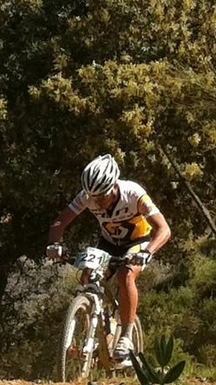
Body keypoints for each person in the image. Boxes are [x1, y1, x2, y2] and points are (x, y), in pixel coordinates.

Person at [45, 154, 171, 363]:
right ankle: (100, 329)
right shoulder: (88, 196)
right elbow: (60, 222)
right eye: (93, 197)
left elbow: (164, 229)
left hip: (137, 242)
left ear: (113, 186)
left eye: (101, 197)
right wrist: (54, 245)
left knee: (125, 276)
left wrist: (148, 252)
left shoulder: (134, 193)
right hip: (109, 243)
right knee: (87, 277)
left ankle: (126, 337)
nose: (97, 202)